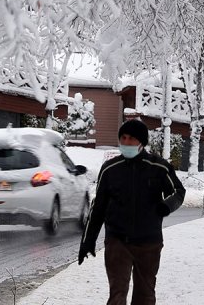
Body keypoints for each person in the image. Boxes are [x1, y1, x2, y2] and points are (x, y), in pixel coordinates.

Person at [78, 118, 185, 305]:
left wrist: (166, 205)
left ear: (142, 142)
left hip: (149, 243)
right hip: (118, 242)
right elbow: (99, 206)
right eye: (123, 138)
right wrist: (88, 240)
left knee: (145, 296)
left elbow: (178, 192)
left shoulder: (159, 167)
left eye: (132, 139)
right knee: (117, 295)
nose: (126, 143)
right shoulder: (110, 169)